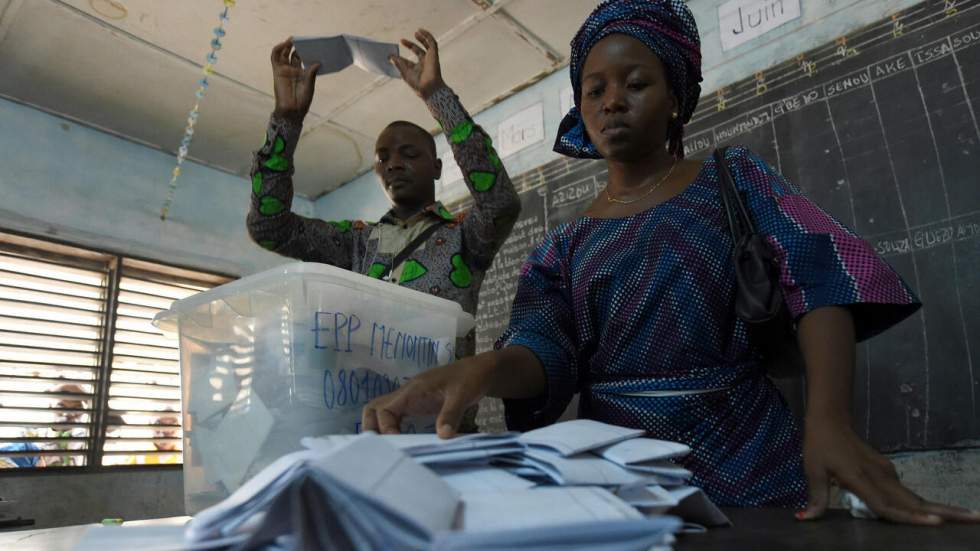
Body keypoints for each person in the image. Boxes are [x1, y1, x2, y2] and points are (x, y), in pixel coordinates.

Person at [362, 0, 980, 525]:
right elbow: (544, 352)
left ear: (676, 99)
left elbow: (817, 275)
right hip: (626, 482)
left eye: (636, 84)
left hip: (759, 462)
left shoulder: (732, 179)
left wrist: (829, 419)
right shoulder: (564, 243)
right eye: (594, 90)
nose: (611, 103)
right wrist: (485, 369)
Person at [247, 30, 521, 367]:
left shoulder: (464, 235)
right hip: (367, 415)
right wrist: (287, 121)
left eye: (408, 154)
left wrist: (438, 96)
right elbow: (269, 228)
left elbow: (501, 204)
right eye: (382, 158)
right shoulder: (357, 243)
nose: (392, 164)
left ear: (436, 168)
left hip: (443, 417)